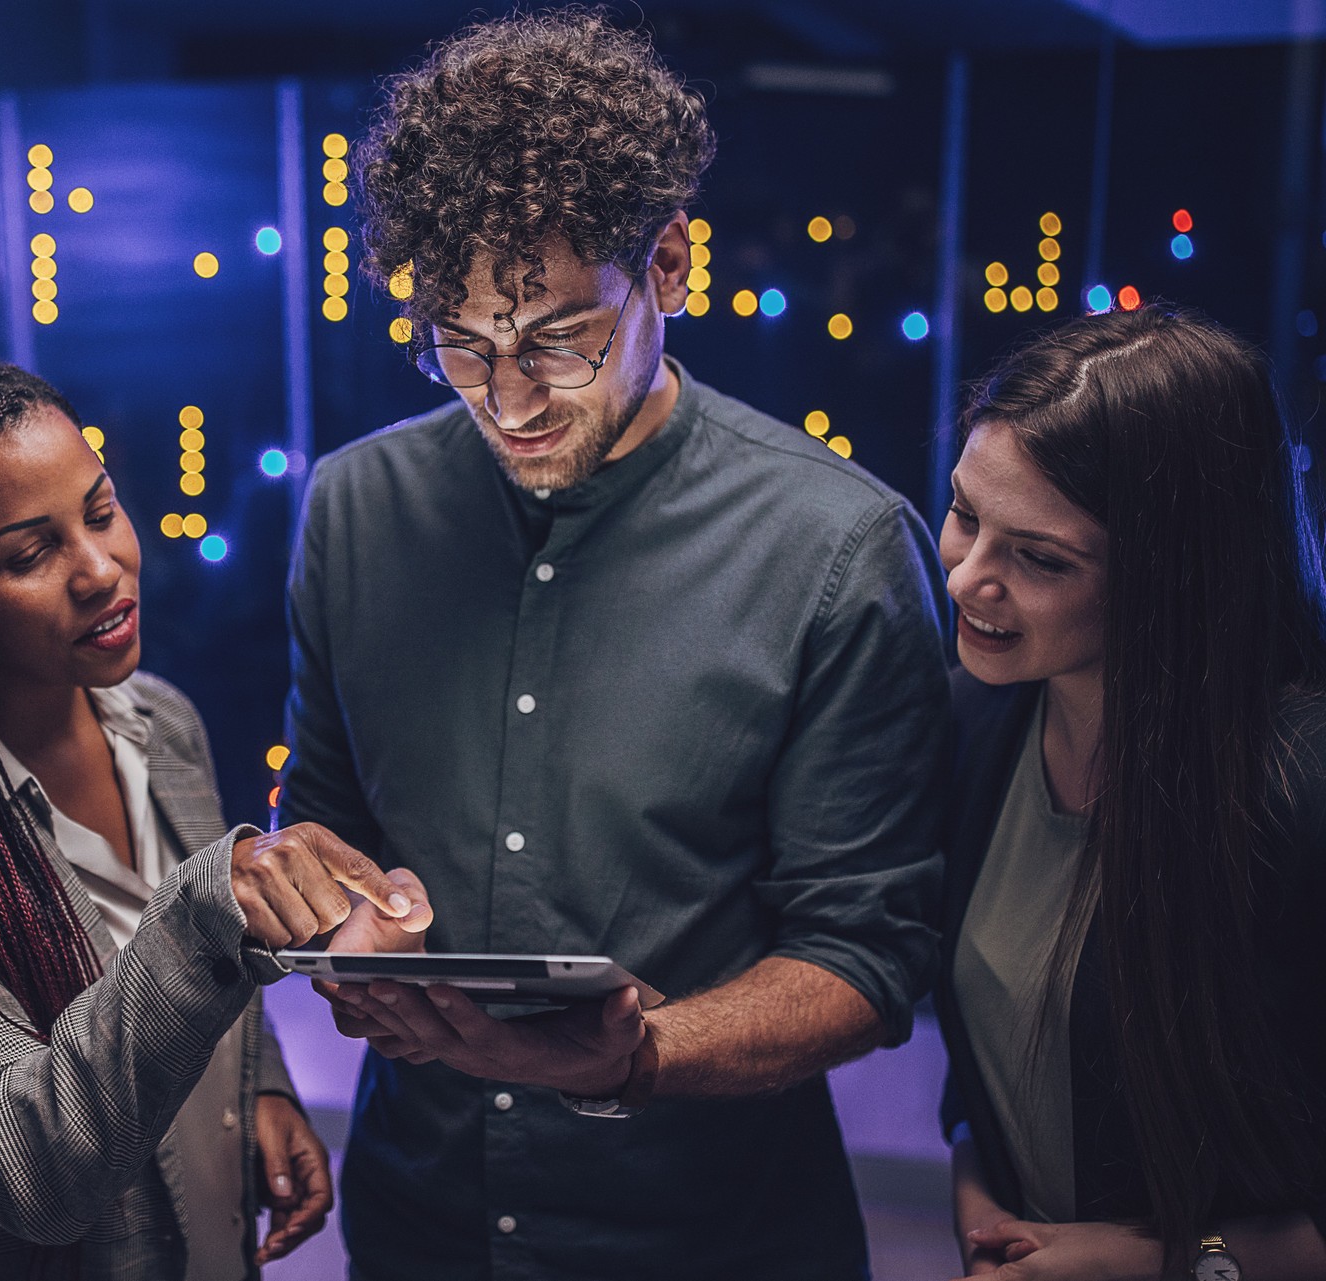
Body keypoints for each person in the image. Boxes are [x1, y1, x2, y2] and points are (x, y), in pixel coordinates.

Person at [279, 12, 953, 1278]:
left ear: (670, 267)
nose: (509, 399)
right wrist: (337, 919)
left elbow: (868, 952)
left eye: (556, 339)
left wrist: (641, 1056)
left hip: (713, 1240)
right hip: (417, 1225)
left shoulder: (840, 548)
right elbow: (320, 813)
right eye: (461, 343)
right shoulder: (352, 508)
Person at [0, 359, 429, 1281]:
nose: (101, 568)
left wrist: (259, 1085)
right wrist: (214, 905)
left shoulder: (162, 720)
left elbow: (206, 994)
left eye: (99, 511)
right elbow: (24, 1174)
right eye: (29, 553)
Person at [935, 308, 1326, 1280]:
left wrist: (1167, 1260)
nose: (968, 580)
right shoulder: (982, 722)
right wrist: (978, 1182)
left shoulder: (1298, 789)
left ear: (1172, 575)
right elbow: (1004, 1049)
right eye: (965, 516)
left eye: (1040, 559)